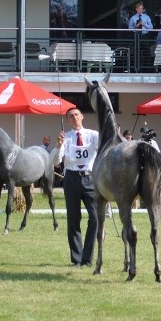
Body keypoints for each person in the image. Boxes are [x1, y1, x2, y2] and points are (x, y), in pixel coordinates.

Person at [55, 107, 100, 267]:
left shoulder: (93, 135)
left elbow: (105, 144)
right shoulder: (65, 138)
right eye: (71, 116)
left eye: (76, 115)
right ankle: (77, 258)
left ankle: (87, 258)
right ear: (67, 120)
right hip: (71, 179)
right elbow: (55, 161)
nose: (74, 118)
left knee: (95, 218)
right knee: (73, 220)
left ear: (82, 116)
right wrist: (59, 145)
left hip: (90, 178)